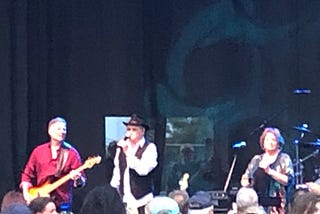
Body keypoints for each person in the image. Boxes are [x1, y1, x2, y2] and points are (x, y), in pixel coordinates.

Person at [20, 117, 86, 210]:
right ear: (49, 131)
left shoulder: (71, 153)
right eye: (59, 129)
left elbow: (82, 182)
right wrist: (26, 193)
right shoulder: (38, 151)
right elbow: (27, 175)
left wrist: (77, 178)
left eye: (64, 129)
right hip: (41, 201)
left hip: (62, 203)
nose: (62, 132)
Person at [110, 114, 158, 214]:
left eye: (134, 129)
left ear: (142, 131)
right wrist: (113, 190)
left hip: (142, 200)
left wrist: (128, 153)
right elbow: (117, 170)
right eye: (128, 129)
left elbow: (143, 170)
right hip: (124, 199)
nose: (130, 132)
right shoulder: (121, 148)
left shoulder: (150, 148)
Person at [240, 127, 294, 214]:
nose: (270, 142)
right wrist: (246, 181)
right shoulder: (256, 159)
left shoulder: (284, 158)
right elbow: (246, 178)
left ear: (278, 143)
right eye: (267, 139)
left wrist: (269, 171)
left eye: (273, 140)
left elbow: (288, 180)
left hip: (278, 206)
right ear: (263, 142)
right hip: (257, 205)